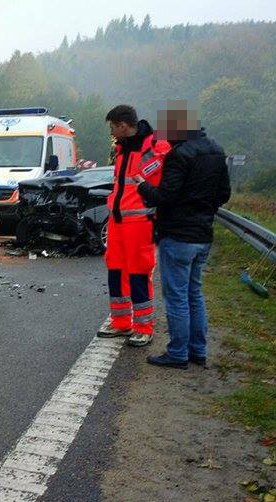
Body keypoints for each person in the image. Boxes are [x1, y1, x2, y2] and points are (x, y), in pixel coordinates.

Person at [134, 102, 231, 368]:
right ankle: (198, 350)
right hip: (203, 234)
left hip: (177, 234)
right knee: (194, 294)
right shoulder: (217, 150)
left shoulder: (179, 155)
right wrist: (203, 208)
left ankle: (178, 353)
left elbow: (165, 196)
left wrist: (142, 186)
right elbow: (224, 194)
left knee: (177, 297)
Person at [97, 105, 171, 347]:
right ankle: (121, 323)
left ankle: (143, 327)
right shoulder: (123, 148)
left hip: (140, 221)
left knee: (139, 272)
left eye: (112, 128)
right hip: (118, 220)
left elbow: (165, 183)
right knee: (116, 270)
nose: (111, 133)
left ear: (123, 126)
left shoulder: (154, 147)